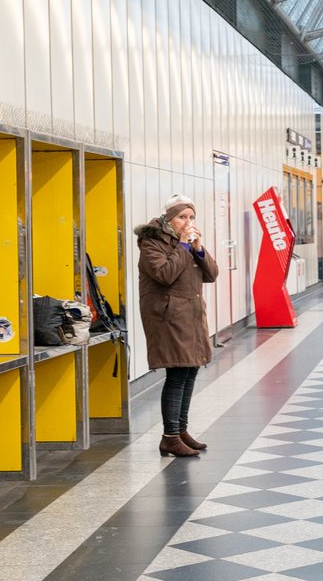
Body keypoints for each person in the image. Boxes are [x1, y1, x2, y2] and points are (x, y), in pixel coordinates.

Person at [137, 194, 220, 458]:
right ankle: (170, 437)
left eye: (191, 217)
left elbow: (212, 274)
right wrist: (183, 247)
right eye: (182, 217)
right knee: (176, 373)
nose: (188, 222)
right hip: (168, 316)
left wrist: (198, 248)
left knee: (190, 370)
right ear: (169, 219)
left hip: (190, 314)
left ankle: (181, 430)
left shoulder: (186, 243)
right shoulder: (151, 242)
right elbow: (164, 274)